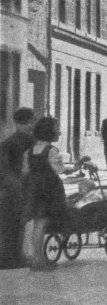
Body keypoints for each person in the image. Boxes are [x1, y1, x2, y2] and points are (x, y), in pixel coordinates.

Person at [22, 116, 67, 270]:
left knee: (36, 223)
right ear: (51, 133)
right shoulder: (52, 150)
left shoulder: (30, 151)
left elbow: (25, 171)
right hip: (49, 190)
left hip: (34, 189)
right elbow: (59, 169)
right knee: (42, 223)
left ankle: (35, 257)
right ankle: (38, 260)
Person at [0, 107, 36, 269]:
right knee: (18, 222)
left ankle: (10, 256)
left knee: (9, 223)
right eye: (30, 122)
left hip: (7, 186)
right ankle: (14, 257)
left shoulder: (7, 143)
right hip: (19, 185)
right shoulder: (29, 142)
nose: (31, 126)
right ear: (28, 123)